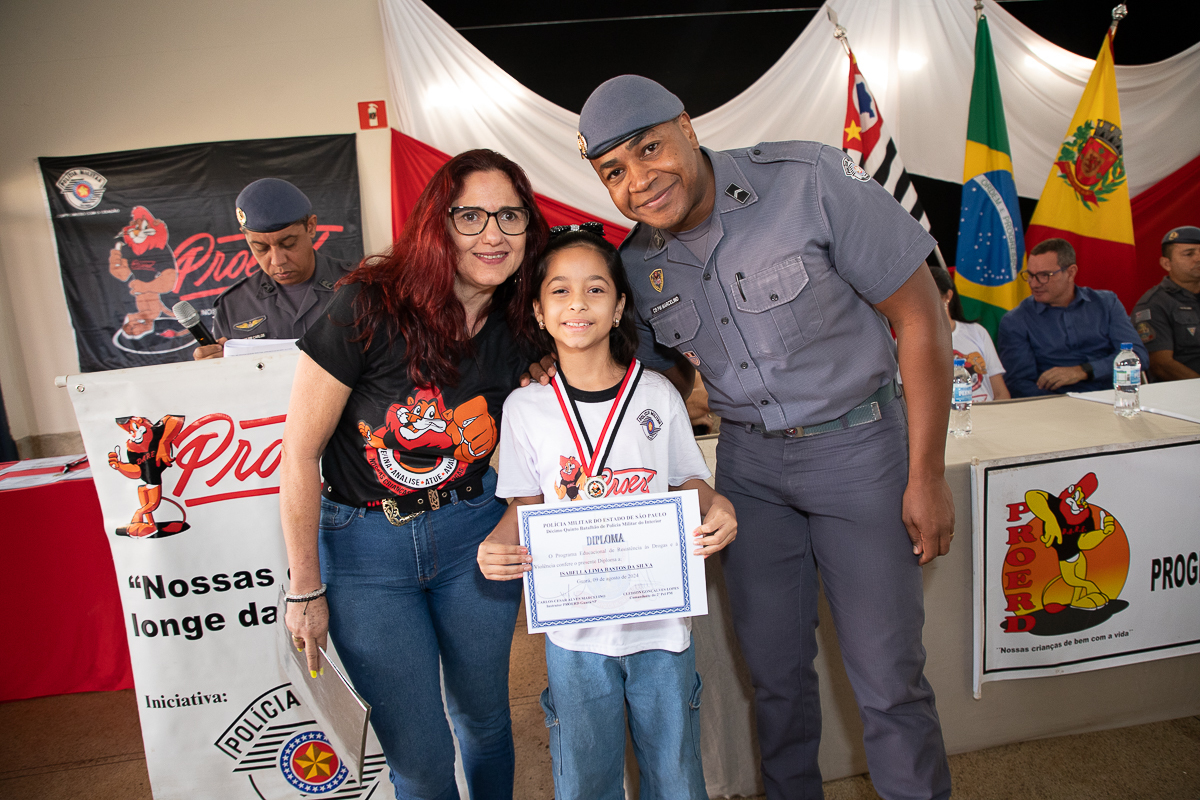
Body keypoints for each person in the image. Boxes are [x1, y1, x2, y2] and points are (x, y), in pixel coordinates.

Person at [571, 75, 954, 800]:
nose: (639, 180)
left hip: (859, 451)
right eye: (613, 171)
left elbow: (921, 315)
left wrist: (927, 473)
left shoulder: (809, 179)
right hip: (748, 468)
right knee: (775, 677)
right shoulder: (637, 264)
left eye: (649, 149)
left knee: (888, 681)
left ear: (688, 126)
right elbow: (647, 382)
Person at [280, 150, 550, 800]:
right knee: (420, 756)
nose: (493, 234)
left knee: (486, 722)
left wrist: (549, 368)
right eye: (471, 216)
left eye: (510, 215)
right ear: (437, 222)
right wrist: (305, 590)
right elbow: (299, 454)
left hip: (473, 538)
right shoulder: (367, 305)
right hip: (365, 554)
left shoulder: (524, 322)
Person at [476, 227, 737, 800]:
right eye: (560, 291)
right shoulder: (524, 408)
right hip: (574, 633)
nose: (578, 303)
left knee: (675, 775)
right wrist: (497, 543)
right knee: (585, 780)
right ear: (539, 311)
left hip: (661, 625)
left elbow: (689, 482)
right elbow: (526, 504)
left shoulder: (657, 395)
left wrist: (717, 507)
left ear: (619, 307)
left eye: (595, 290)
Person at [193, 178, 353, 359]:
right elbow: (227, 373)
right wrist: (210, 367)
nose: (277, 261)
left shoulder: (360, 285)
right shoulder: (232, 305)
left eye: (289, 244)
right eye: (261, 248)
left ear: (311, 227)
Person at [997, 238, 1148, 397]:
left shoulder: (1106, 304)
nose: (1034, 284)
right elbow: (1019, 384)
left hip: (1116, 396)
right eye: (1030, 275)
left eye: (1044, 275)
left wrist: (1084, 371)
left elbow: (1137, 357)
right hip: (1057, 403)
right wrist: (1065, 405)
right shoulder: (1016, 321)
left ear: (1071, 272)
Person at [930, 265, 1010, 401]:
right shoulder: (907, 342)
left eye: (930, 296)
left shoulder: (977, 332)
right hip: (952, 415)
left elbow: (1001, 393)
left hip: (991, 412)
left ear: (947, 296)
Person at [1131, 226, 1200, 381]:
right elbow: (1161, 365)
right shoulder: (1154, 304)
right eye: (1189, 254)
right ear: (1166, 263)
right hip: (1184, 389)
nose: (1198, 258)